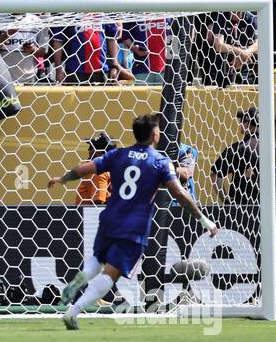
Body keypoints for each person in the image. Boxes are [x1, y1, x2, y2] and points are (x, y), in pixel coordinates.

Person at [48, 113, 219, 329]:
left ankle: (78, 281)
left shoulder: (118, 154)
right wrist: (206, 221)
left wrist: (61, 179)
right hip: (134, 226)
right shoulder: (159, 162)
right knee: (111, 274)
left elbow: (86, 168)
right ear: (155, 135)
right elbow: (179, 194)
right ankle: (73, 312)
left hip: (109, 217)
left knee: (99, 259)